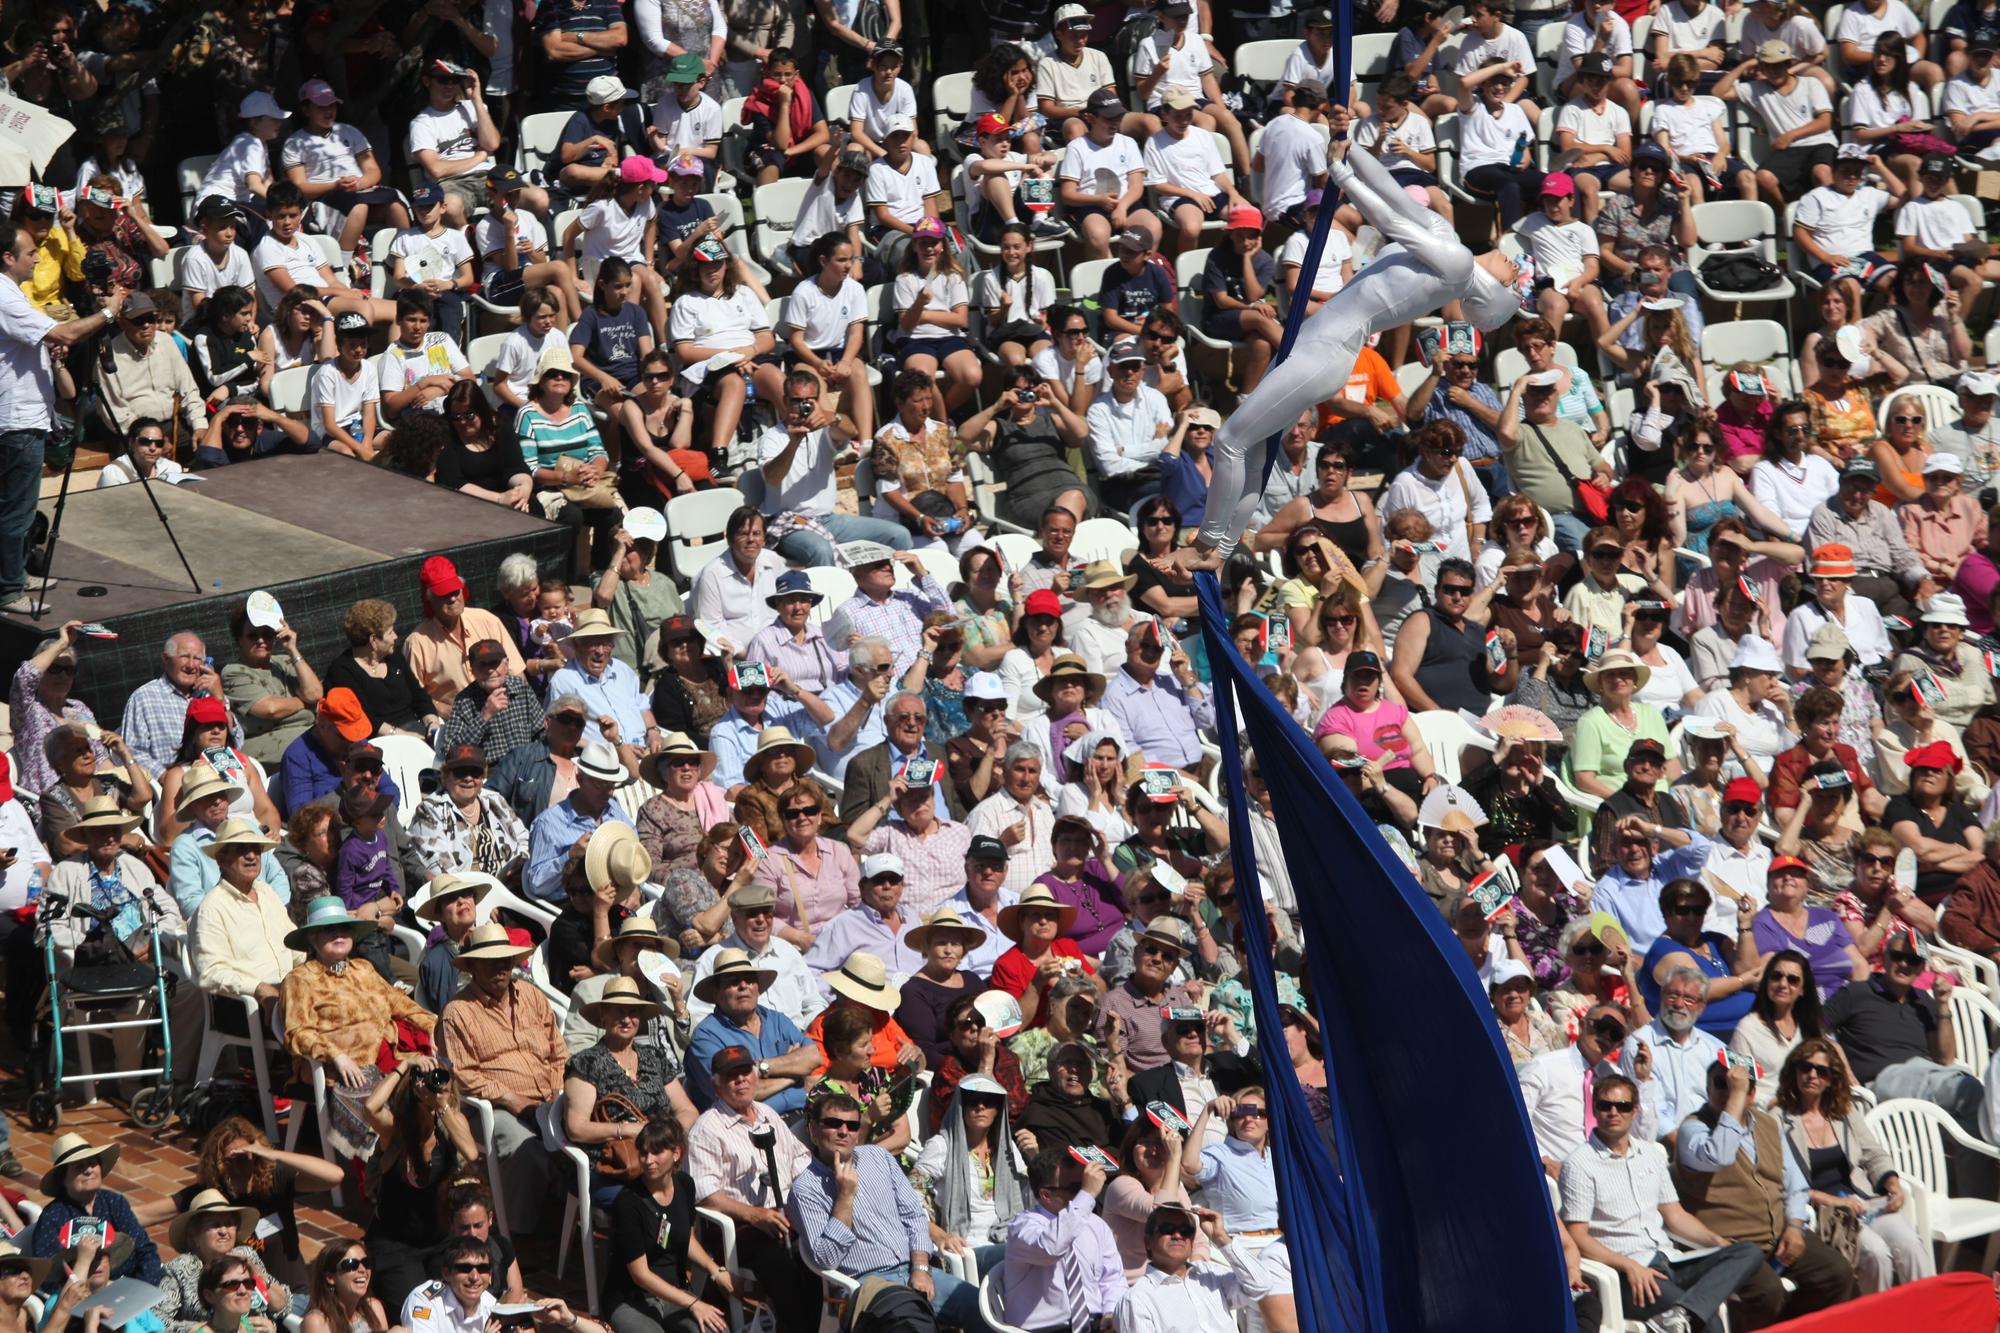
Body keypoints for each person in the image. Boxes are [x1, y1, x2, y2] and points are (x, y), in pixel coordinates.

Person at [1674, 1058, 1860, 1322]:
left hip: (1778, 1235)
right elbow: (1720, 1156)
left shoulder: (1767, 1125)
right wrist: (1734, 1101)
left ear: (1753, 1093)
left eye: (1738, 1086)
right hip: (1730, 1246)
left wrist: (1795, 1226)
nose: (1729, 1091)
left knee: (1836, 1272)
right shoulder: (1693, 1128)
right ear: (1707, 1089)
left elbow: (1797, 1184)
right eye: (1721, 1084)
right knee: (1767, 1292)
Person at [787, 1093, 986, 1330]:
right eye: (833, 1123)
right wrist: (844, 1197)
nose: (843, 1131)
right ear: (812, 1129)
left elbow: (914, 1215)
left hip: (916, 1271)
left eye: (852, 1125)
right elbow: (826, 1259)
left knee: (986, 1313)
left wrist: (921, 1269)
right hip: (867, 1285)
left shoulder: (879, 1157)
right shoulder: (805, 1189)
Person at [1773, 1038, 1933, 1293]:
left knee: (1910, 1244)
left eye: (1821, 1071)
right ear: (1794, 1071)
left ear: (1831, 1079)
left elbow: (1873, 1154)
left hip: (1864, 1202)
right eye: (1805, 1067)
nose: (1812, 1075)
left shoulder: (1842, 1112)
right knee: (1875, 1254)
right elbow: (1781, 1182)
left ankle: (1930, 1318)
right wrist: (1835, 1201)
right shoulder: (1778, 1119)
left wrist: (1892, 1184)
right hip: (1825, 1212)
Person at [437, 922, 568, 1227]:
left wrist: (558, 1093)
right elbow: (462, 1074)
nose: (500, 968)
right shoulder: (457, 1012)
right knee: (527, 1148)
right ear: (472, 967)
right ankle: (520, 1234)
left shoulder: (531, 996)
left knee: (583, 1134)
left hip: (548, 1097)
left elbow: (559, 1052)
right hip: (491, 1107)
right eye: (491, 962)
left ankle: (567, 1217)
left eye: (505, 961)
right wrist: (508, 1097)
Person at [1826, 932, 1983, 1130]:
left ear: (1920, 967)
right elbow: (1813, 1027)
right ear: (1885, 956)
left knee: (1971, 1123)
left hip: (1924, 1076)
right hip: (1882, 1080)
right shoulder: (1857, 992)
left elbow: (1946, 1058)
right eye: (1897, 956)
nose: (1904, 964)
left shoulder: (1924, 1001)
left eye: (1913, 960)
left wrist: (1942, 1004)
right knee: (1969, 1090)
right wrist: (1844, 1070)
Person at [26, 1133, 161, 1281]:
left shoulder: (114, 1202)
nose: (89, 1170)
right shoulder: (53, 1216)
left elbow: (144, 1250)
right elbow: (47, 1274)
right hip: (80, 1296)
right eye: (79, 1166)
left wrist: (142, 1290)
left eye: (92, 1163)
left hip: (129, 1287)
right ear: (63, 1179)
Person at [155, 1191, 288, 1333]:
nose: (224, 1231)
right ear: (195, 1235)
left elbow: (283, 1307)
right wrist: (198, 1329)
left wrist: (257, 1274)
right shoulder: (181, 1268)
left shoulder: (246, 1255)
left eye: (229, 1224)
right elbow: (156, 1319)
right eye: (215, 1225)